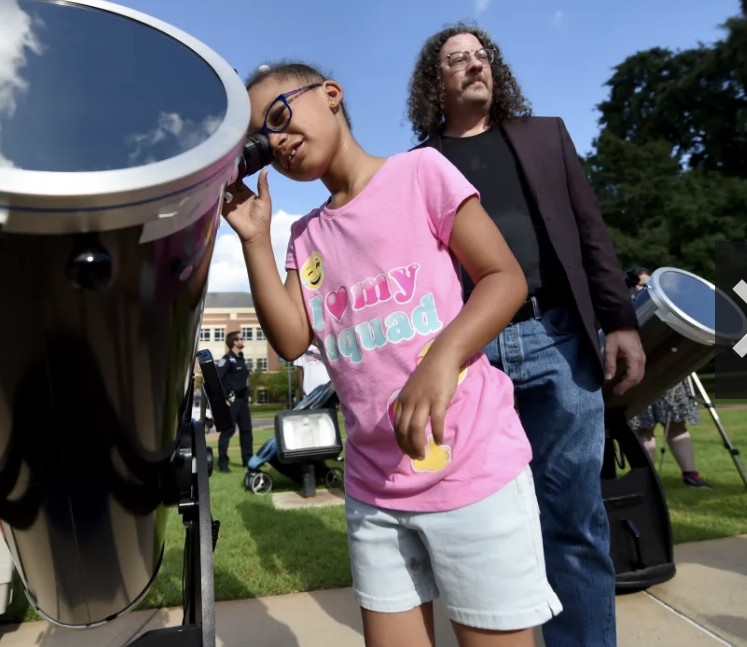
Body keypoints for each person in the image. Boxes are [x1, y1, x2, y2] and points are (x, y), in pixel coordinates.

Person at [221, 60, 561, 647]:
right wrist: (254, 238)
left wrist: (442, 358)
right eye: (260, 138)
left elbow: (503, 277)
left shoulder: (420, 172)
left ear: (331, 95)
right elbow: (292, 341)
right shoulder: (305, 236)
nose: (275, 141)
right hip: (374, 490)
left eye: (278, 117)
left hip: (470, 469)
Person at [406, 24, 647, 647]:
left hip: (557, 337)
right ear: (436, 82)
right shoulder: (417, 167)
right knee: (481, 521)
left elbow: (591, 232)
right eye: (457, 59)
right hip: (470, 353)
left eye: (481, 55)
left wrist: (620, 321)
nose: (474, 65)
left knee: (574, 517)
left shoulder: (545, 137)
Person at [628, 268, 711, 488]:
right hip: (641, 375)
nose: (644, 289)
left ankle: (690, 474)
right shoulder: (628, 307)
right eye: (640, 285)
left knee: (676, 424)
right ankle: (647, 481)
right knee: (644, 429)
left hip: (670, 374)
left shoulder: (670, 302)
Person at [215, 330, 253, 473]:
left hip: (243, 401)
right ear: (234, 342)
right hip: (231, 401)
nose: (243, 340)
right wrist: (223, 398)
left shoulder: (241, 359)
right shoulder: (226, 359)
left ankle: (248, 462)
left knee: (246, 431)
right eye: (241, 338)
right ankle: (223, 464)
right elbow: (217, 379)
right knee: (228, 431)